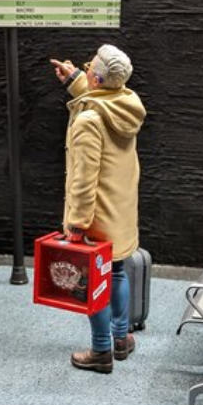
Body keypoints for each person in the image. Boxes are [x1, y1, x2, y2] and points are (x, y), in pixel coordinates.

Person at [49, 44, 146, 374]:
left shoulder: (88, 121)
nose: (86, 67)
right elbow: (101, 99)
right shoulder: (126, 103)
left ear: (98, 78)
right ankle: (121, 339)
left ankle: (101, 350)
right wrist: (75, 79)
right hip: (120, 211)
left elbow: (84, 178)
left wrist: (76, 222)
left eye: (89, 67)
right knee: (116, 272)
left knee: (93, 282)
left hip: (95, 215)